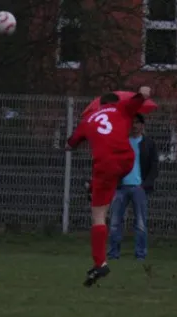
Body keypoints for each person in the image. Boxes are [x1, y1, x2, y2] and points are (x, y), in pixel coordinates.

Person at [65, 86, 152, 287]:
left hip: (104, 165)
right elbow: (139, 100)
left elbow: (71, 143)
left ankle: (100, 263)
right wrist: (143, 93)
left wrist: (69, 146)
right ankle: (93, 187)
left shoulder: (88, 120)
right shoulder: (122, 108)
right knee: (106, 181)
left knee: (98, 215)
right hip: (125, 160)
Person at [107, 114, 159, 261]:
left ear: (143, 125)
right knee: (115, 222)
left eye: (137, 123)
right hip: (120, 187)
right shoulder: (121, 143)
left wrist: (145, 185)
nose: (134, 126)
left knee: (141, 223)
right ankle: (113, 254)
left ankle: (140, 254)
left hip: (139, 188)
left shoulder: (148, 144)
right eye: (132, 123)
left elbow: (154, 167)